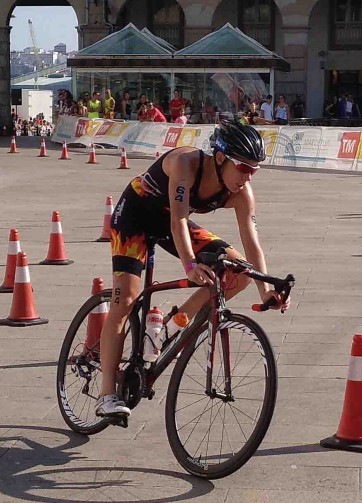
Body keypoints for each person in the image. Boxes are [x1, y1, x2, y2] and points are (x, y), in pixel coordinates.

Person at [94, 122, 290, 418]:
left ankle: (169, 326)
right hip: (137, 214)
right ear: (221, 157)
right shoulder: (186, 163)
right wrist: (190, 265)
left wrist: (266, 289)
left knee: (237, 271)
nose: (248, 177)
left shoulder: (241, 193)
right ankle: (107, 394)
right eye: (243, 167)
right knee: (126, 300)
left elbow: (252, 244)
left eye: (255, 170)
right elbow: (179, 222)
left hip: (173, 221)